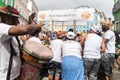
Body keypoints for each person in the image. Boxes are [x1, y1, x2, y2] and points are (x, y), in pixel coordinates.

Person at [0, 15, 44, 80]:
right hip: (5, 77)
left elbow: (20, 29)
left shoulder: (9, 33)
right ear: (8, 18)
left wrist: (29, 23)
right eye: (16, 19)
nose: (18, 22)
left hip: (13, 75)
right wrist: (36, 26)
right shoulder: (1, 27)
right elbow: (24, 29)